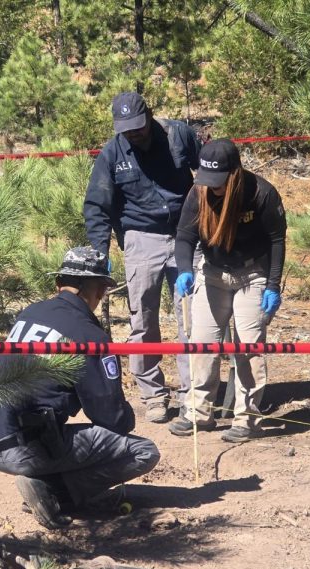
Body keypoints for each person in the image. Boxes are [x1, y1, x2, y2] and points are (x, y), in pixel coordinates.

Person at [0, 247, 160, 529]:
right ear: (98, 290)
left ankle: (44, 483)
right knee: (144, 452)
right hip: (27, 448)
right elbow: (109, 416)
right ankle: (54, 493)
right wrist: (127, 417)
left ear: (58, 284)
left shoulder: (30, 312)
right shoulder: (88, 335)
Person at [83, 91, 202, 423]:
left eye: (138, 126)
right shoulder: (112, 154)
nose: (134, 133)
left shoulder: (179, 135)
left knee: (190, 317)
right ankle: (153, 395)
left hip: (185, 233)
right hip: (140, 237)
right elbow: (97, 205)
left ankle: (194, 394)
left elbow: (208, 172)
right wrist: (99, 251)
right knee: (143, 320)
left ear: (149, 116)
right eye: (127, 129)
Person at [168, 138, 287, 443]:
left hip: (253, 274)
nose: (212, 186)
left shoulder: (261, 193)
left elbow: (277, 240)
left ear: (234, 173)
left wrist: (273, 285)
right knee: (202, 344)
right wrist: (184, 269)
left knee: (248, 347)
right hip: (212, 274)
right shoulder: (199, 193)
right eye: (207, 180)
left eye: (218, 181)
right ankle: (198, 414)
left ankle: (246, 418)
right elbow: (184, 236)